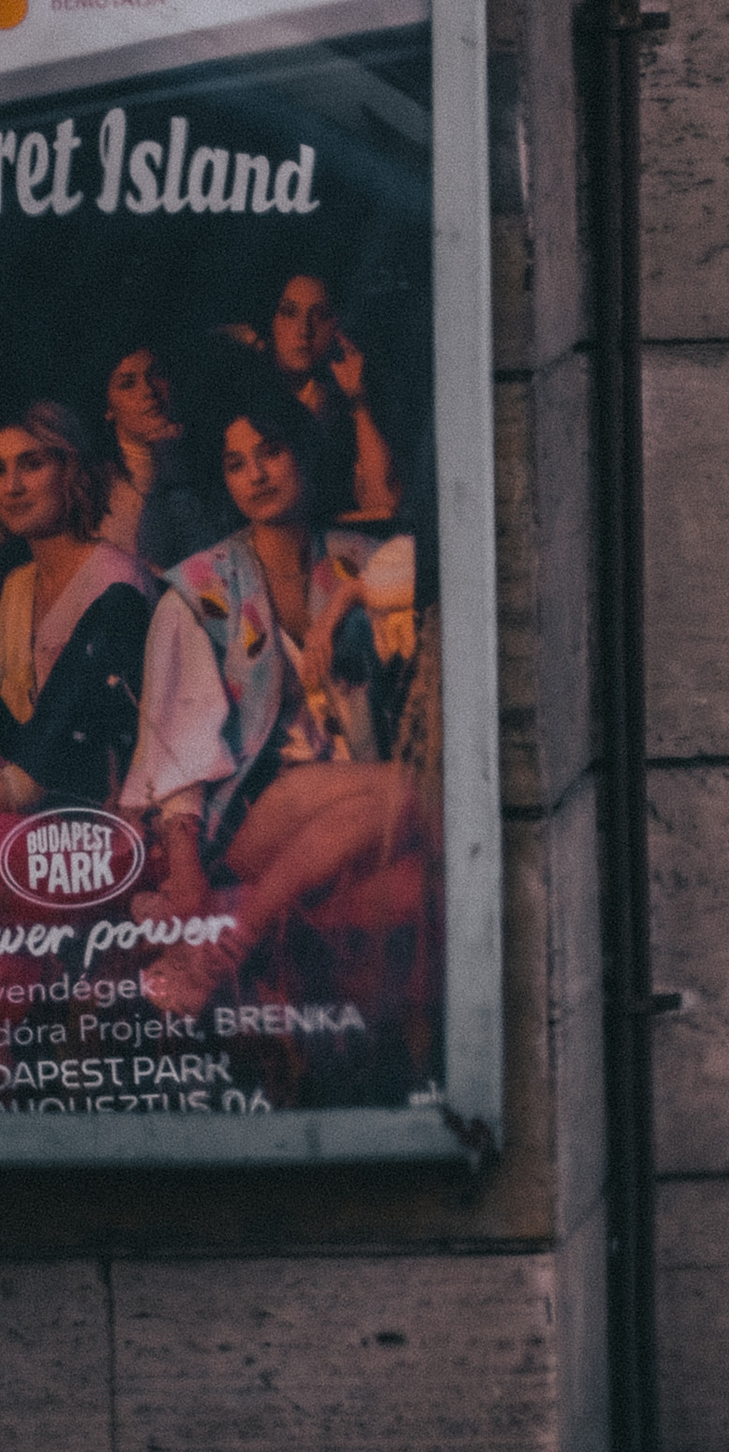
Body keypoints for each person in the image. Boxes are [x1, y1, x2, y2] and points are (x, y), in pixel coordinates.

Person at [121, 358, 430, 1038]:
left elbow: (426, 553)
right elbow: (180, 740)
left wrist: (346, 597)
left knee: (415, 888)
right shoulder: (202, 586)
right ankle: (236, 931)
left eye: (271, 452)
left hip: (351, 810)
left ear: (302, 455)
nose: (256, 474)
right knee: (414, 794)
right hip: (252, 810)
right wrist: (186, 872)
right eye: (236, 463)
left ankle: (331, 1048)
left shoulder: (354, 557)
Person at [0, 402, 153, 815]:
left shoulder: (118, 579)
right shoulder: (15, 588)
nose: (12, 487)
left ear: (71, 471)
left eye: (31, 464)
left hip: (108, 809)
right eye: (0, 471)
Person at [269, 270, 405, 524]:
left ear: (336, 327)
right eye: (289, 312)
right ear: (270, 320)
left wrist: (357, 397)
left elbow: (383, 503)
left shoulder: (344, 399)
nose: (304, 330)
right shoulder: (244, 393)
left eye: (320, 315)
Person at [96, 339, 223, 570]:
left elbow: (210, 558)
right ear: (107, 408)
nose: (147, 390)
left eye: (155, 374)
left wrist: (171, 461)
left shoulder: (215, 460)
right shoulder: (97, 486)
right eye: (127, 384)